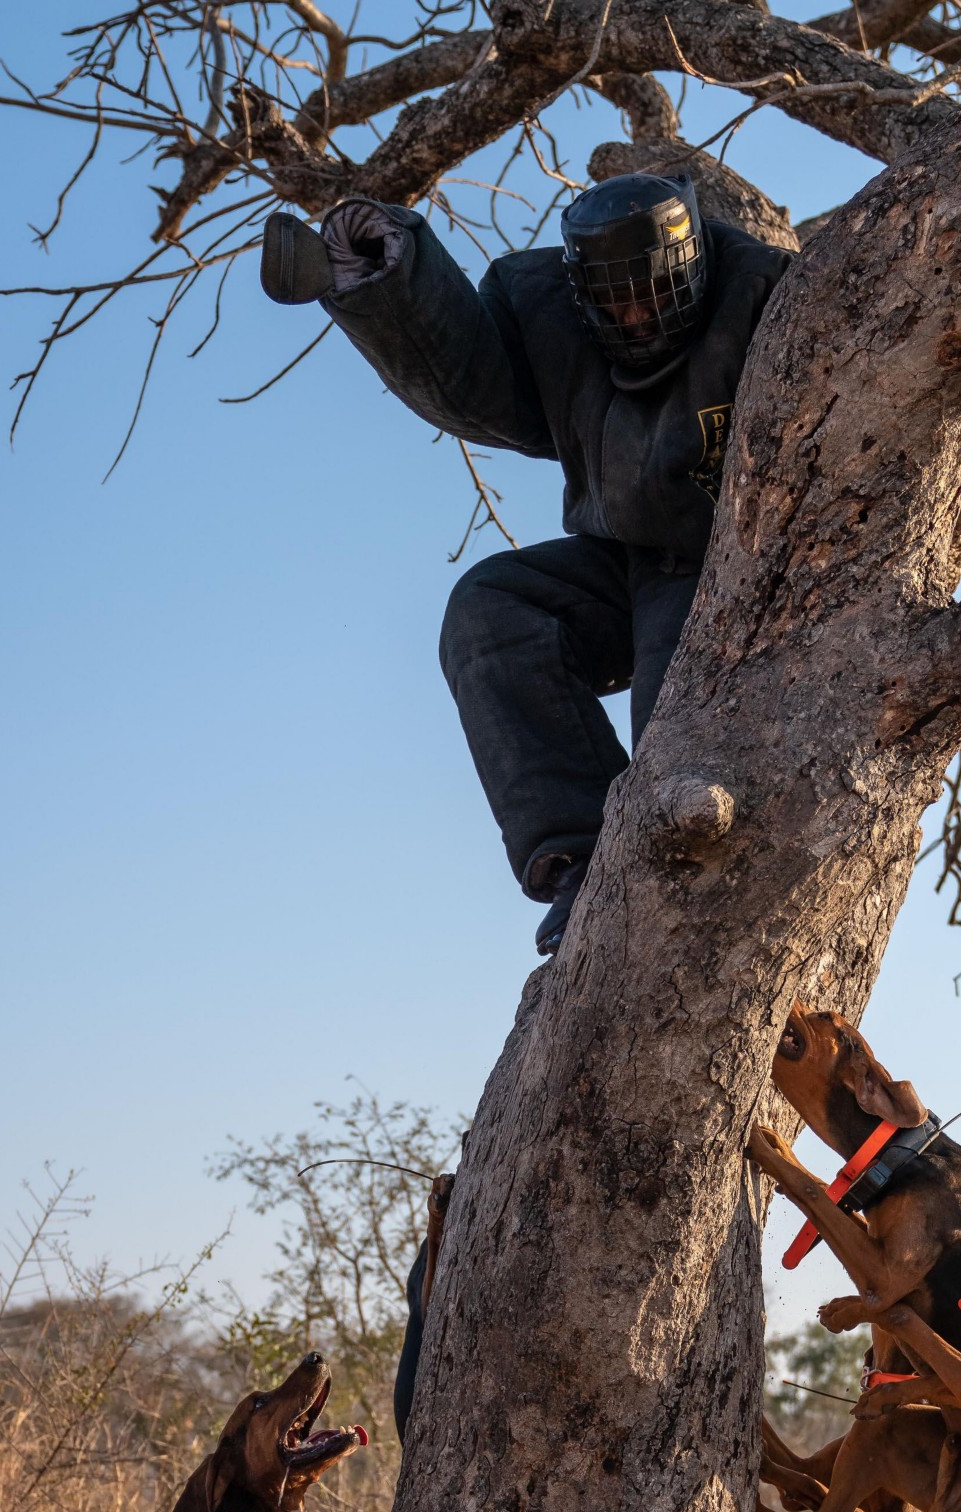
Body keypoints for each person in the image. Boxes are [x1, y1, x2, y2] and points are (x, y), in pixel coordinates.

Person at [304, 174, 791, 954]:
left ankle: (682, 878)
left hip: (722, 559)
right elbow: (469, 378)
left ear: (693, 265)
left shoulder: (768, 292)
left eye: (651, 294)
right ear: (581, 289)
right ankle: (584, 860)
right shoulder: (547, 306)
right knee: (489, 611)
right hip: (619, 555)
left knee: (675, 736)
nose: (634, 315)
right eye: (614, 300)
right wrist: (389, 277)